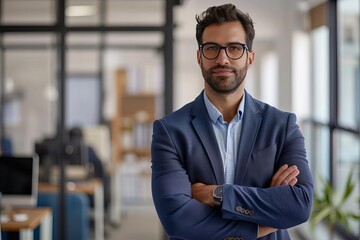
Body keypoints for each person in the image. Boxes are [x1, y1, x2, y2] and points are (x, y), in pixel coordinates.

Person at [151, 3, 313, 240]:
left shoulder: (282, 125)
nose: (223, 59)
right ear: (199, 57)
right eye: (212, 48)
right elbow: (176, 218)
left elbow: (300, 204)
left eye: (235, 48)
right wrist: (258, 226)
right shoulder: (171, 131)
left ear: (250, 57)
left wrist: (218, 194)